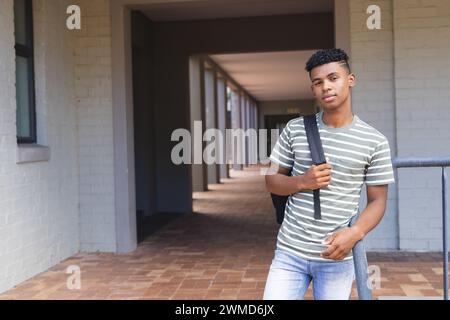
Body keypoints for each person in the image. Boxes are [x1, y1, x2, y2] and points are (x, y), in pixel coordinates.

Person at [263, 48, 395, 300]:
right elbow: (271, 180)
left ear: (350, 80)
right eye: (318, 82)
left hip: (336, 256)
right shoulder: (295, 129)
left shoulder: (374, 141)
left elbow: (378, 201)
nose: (326, 86)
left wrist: (354, 233)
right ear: (313, 89)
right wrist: (302, 181)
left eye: (333, 78)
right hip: (289, 253)